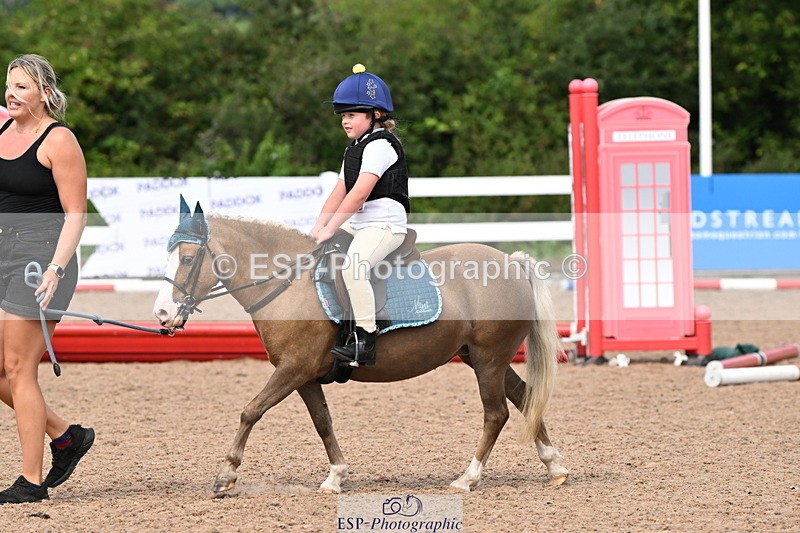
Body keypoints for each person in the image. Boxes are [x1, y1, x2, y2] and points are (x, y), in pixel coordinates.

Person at [0, 54, 93, 504]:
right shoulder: (3, 132)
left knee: (18, 369)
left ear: (44, 93)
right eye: (8, 84)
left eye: (21, 86)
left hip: (42, 259)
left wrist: (56, 268)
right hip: (3, 253)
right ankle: (64, 436)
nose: (11, 93)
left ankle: (31, 482)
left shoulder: (59, 140)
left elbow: (76, 214)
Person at [310, 64, 410, 368]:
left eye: (352, 114)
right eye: (342, 115)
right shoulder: (354, 149)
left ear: (375, 115)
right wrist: (317, 226)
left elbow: (358, 194)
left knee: (354, 268)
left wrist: (331, 228)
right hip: (361, 226)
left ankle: (365, 339)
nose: (345, 121)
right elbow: (339, 191)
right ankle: (340, 331)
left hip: (385, 226)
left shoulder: (381, 146)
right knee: (322, 265)